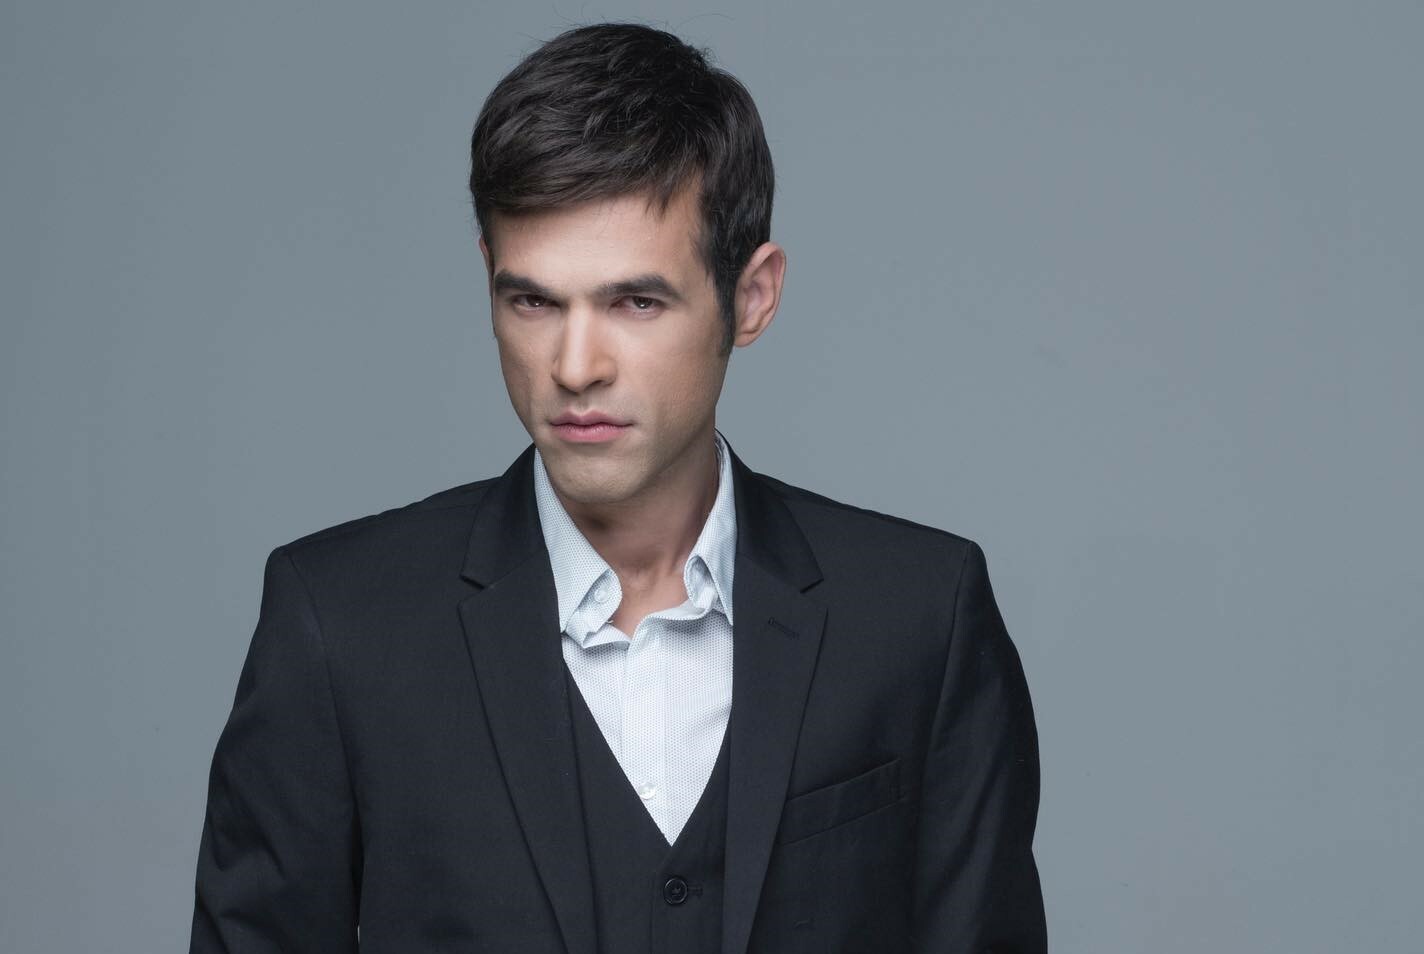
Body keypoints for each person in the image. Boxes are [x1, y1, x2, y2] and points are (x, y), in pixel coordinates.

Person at [189, 22, 1045, 954]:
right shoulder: (340, 622)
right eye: (533, 301)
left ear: (752, 297)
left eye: (636, 302)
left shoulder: (919, 615)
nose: (575, 365)